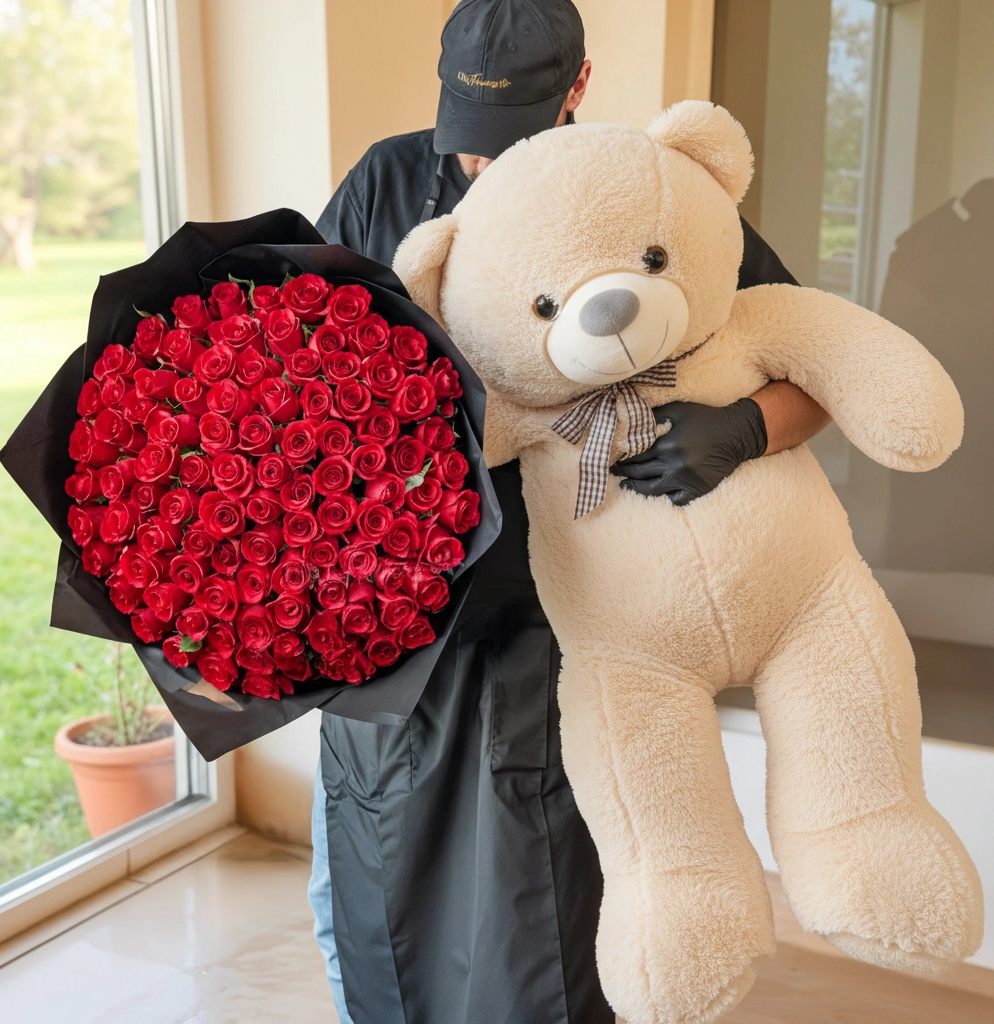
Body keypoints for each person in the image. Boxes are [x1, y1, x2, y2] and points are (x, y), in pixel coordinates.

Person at [309, 2, 830, 1022]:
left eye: (506, 139)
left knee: (538, 930)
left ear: (578, 87)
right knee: (365, 911)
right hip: (400, 618)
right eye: (467, 138)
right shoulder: (386, 182)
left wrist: (740, 429)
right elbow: (301, 361)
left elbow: (814, 371)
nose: (480, 167)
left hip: (553, 621)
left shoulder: (644, 191)